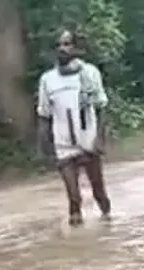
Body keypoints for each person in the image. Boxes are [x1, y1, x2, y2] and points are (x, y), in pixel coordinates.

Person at [36, 29, 112, 225]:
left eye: (67, 44)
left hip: (88, 141)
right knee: (74, 199)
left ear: (76, 48)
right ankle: (76, 229)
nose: (62, 49)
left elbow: (101, 107)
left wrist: (100, 138)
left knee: (99, 193)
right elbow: (44, 115)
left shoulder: (90, 73)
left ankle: (107, 221)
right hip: (64, 145)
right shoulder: (48, 80)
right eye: (58, 45)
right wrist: (44, 146)